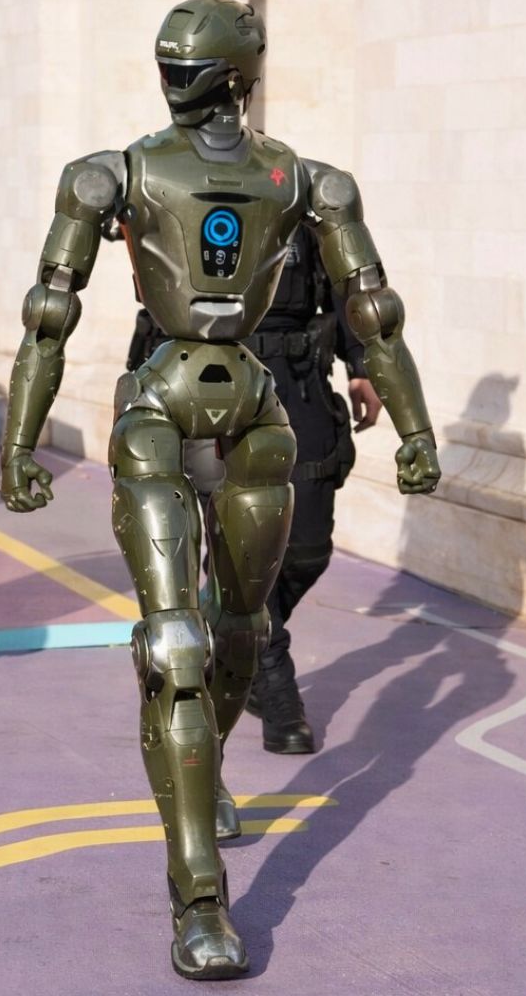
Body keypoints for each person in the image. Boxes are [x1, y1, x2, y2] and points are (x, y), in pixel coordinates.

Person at [0, 0, 440, 978]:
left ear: (234, 75)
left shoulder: (306, 181)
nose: (174, 83)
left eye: (186, 68)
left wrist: (416, 428)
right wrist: (19, 440)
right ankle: (199, 896)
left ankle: (198, 760)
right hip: (157, 403)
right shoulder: (114, 173)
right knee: (176, 641)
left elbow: (375, 312)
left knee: (241, 631)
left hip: (256, 405)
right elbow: (47, 315)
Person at [127, 224, 383, 756]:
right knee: (237, 543)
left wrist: (362, 366)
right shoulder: (187, 195)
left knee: (308, 549)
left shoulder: (299, 197)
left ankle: (232, 628)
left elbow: (349, 280)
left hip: (297, 379)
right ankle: (275, 685)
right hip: (210, 383)